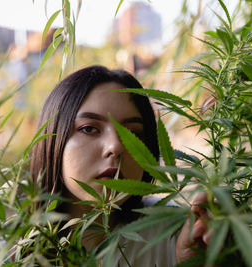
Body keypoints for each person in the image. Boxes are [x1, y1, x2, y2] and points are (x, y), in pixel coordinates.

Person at [30, 65, 211, 266]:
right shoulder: (5, 246)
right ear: (53, 139)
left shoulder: (178, 232)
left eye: (132, 134)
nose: (115, 146)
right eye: (89, 128)